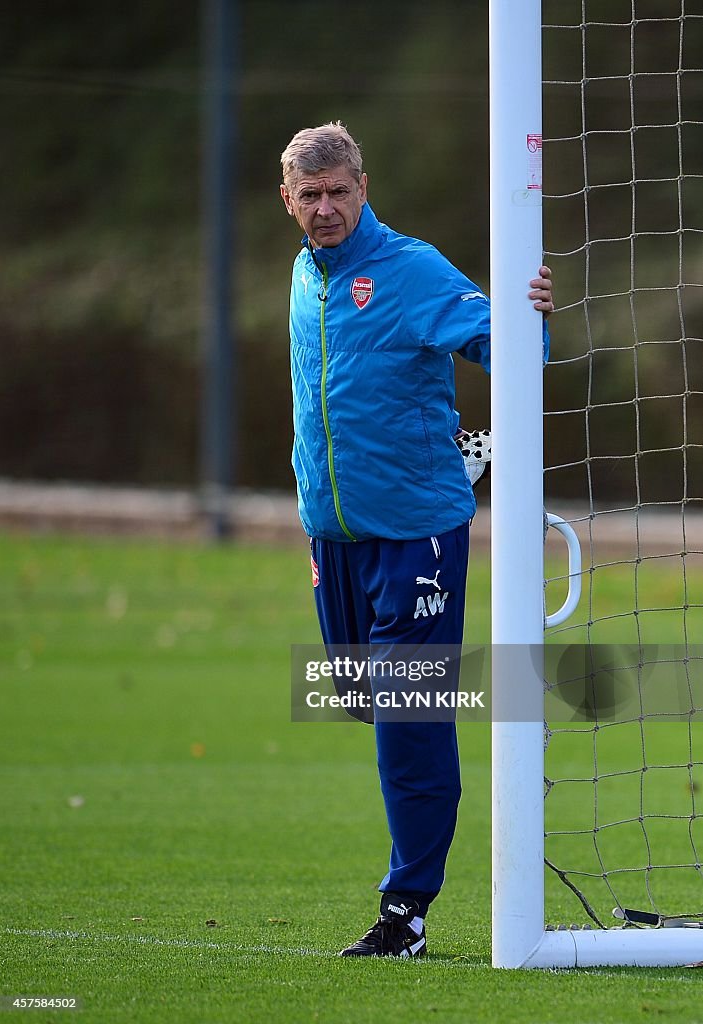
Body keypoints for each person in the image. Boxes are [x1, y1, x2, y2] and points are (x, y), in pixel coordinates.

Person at [280, 122, 553, 958]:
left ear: (364, 186)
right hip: (336, 536)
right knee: (363, 698)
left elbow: (510, 346)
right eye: (310, 196)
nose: (327, 209)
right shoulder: (304, 273)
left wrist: (529, 317)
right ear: (287, 200)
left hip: (418, 537)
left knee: (410, 713)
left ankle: (406, 912)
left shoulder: (411, 268)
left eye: (340, 192)